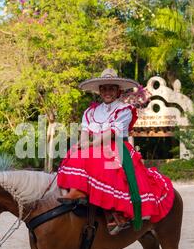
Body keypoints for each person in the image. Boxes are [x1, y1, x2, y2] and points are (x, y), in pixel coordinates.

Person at [57, 68, 175, 233]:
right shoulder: (90, 111)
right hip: (94, 145)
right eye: (104, 88)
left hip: (116, 146)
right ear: (99, 90)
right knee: (73, 154)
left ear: (118, 90)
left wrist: (91, 145)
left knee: (105, 163)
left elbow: (111, 133)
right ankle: (77, 192)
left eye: (111, 88)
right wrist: (83, 144)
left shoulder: (124, 109)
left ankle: (116, 213)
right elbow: (84, 132)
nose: (107, 92)